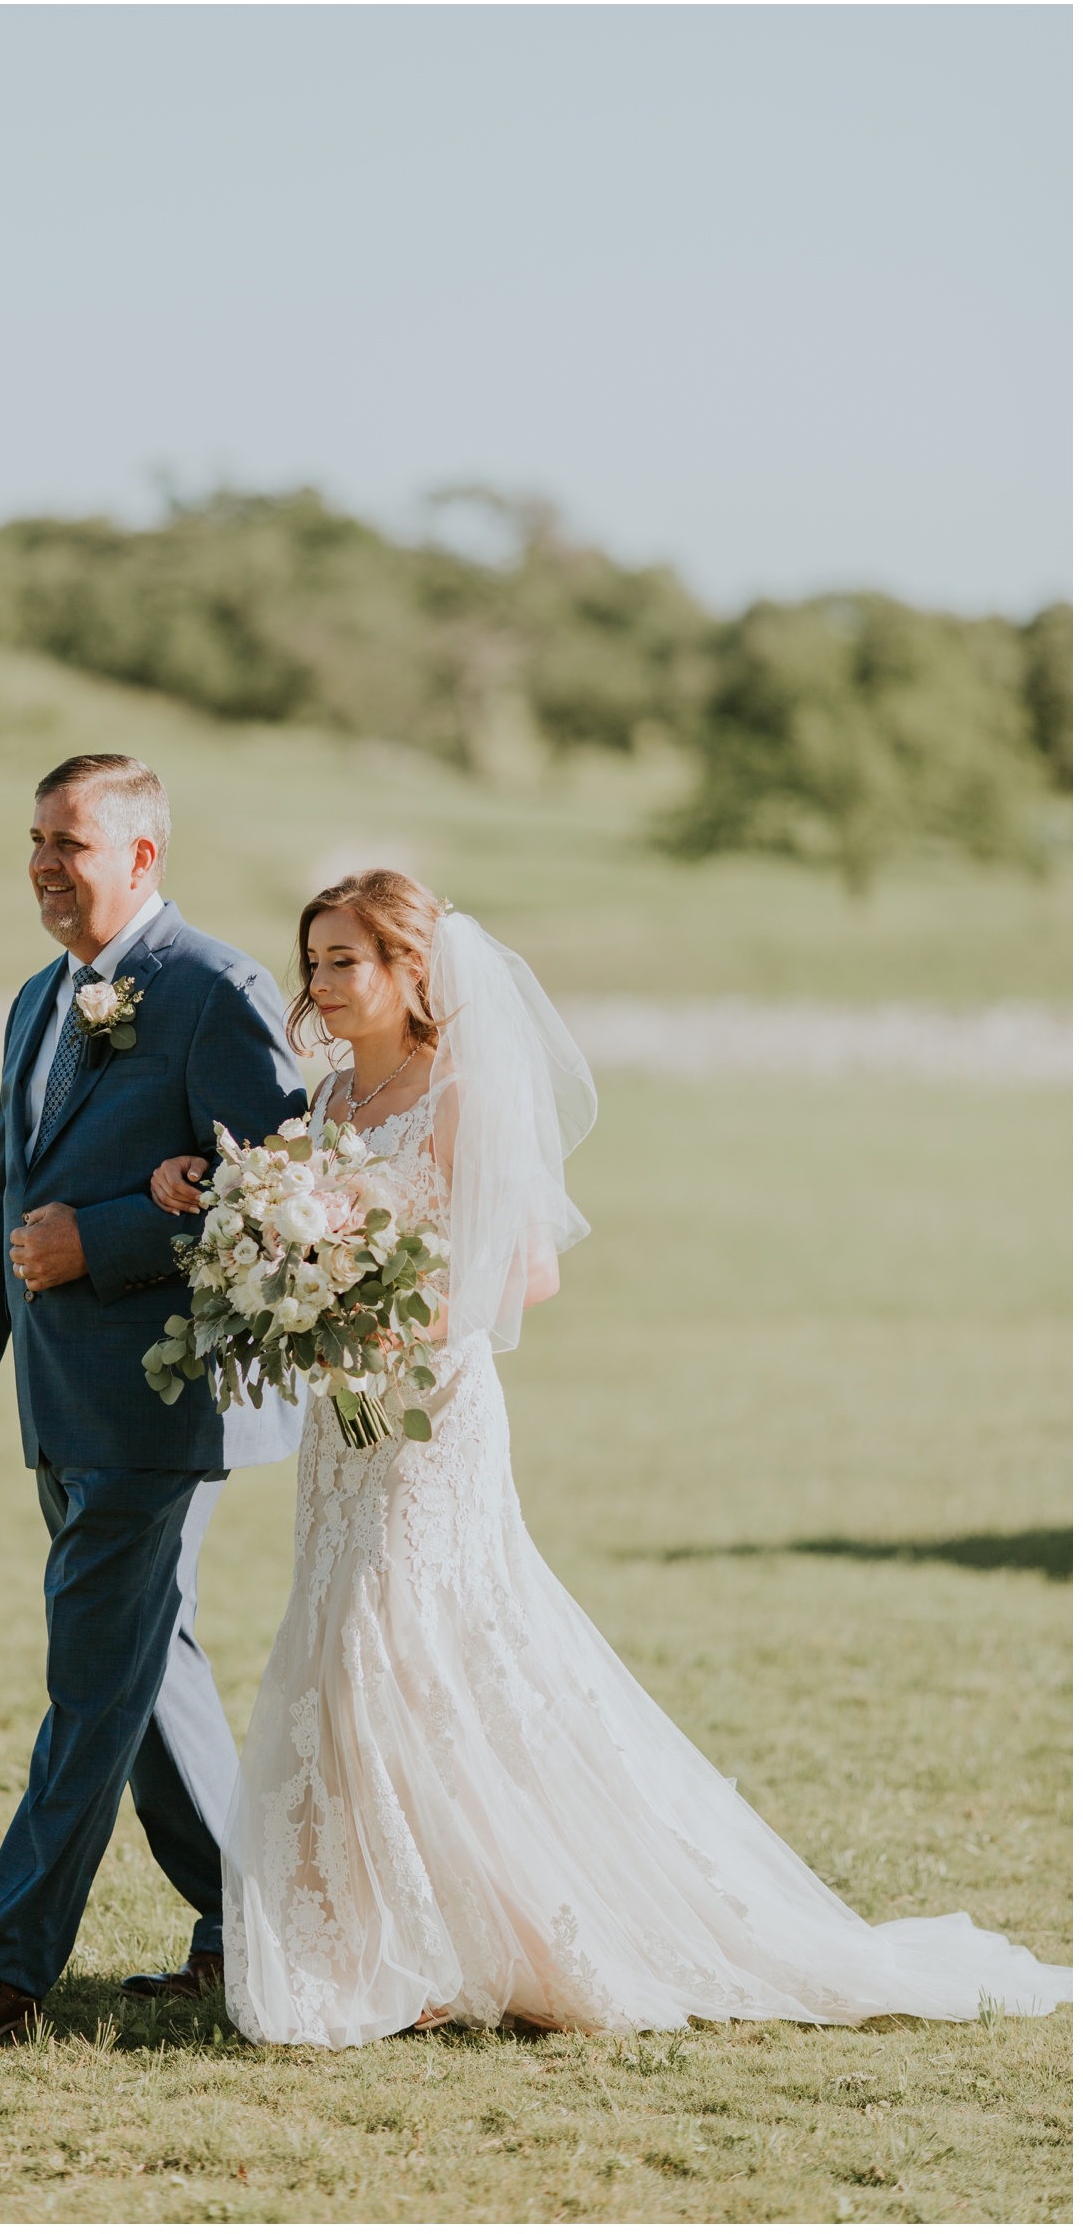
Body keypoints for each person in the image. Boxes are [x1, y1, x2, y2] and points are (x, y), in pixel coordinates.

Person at [151, 869, 1072, 2048]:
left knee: (405, 1645)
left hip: (431, 1411)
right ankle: (394, 1937)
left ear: (409, 970)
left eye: (346, 960)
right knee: (333, 1648)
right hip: (347, 1423)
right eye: (316, 961)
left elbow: (526, 1267)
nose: (322, 983)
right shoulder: (328, 1102)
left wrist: (390, 1315)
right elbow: (285, 1216)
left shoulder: (462, 1093)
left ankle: (476, 1935)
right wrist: (217, 1205)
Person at [0, 754, 305, 2044]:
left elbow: (284, 1203)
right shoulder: (36, 998)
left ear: (143, 856)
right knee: (149, 1681)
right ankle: (251, 1933)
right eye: (36, 841)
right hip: (57, 1406)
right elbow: (0, 1195)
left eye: (72, 841)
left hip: (164, 1412)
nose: (47, 865)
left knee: (90, 1688)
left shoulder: (215, 989)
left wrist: (106, 1237)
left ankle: (2, 1971)